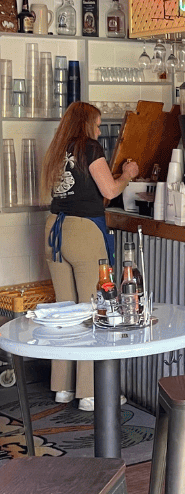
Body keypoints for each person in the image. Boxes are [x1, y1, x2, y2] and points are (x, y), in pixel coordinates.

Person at [40, 102, 139, 411]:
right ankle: (90, 392)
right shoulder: (89, 147)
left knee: (64, 312)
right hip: (84, 233)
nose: (99, 130)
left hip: (54, 230)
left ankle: (63, 387)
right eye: (97, 124)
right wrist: (128, 174)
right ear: (86, 125)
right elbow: (108, 191)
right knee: (93, 309)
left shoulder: (58, 148)